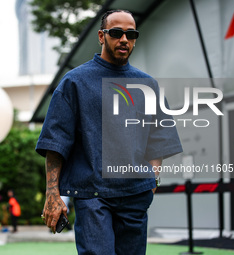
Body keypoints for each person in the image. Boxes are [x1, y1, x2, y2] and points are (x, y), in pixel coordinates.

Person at [36, 10, 183, 255]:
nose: (124, 39)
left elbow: (160, 139)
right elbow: (55, 142)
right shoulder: (74, 82)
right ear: (102, 36)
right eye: (116, 33)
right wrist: (53, 193)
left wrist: (152, 182)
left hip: (135, 195)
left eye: (131, 34)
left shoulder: (148, 85)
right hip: (92, 195)